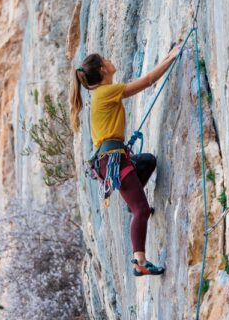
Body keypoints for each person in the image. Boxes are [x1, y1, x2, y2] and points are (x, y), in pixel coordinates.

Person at [70, 44, 181, 276]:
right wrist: (171, 56)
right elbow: (148, 81)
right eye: (106, 59)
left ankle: (134, 205)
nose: (110, 60)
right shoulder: (104, 92)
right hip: (113, 161)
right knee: (142, 210)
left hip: (114, 158)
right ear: (102, 69)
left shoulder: (101, 93)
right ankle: (138, 261)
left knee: (148, 161)